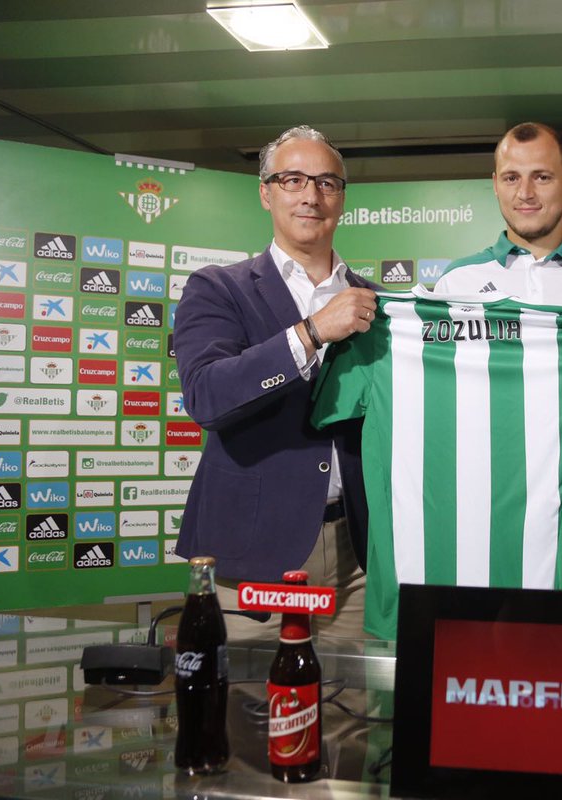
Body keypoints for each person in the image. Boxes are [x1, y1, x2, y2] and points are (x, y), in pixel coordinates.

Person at [174, 125, 379, 640]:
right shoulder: (218, 288)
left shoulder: (377, 302)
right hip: (255, 552)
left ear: (342, 199)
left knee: (353, 691)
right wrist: (312, 332)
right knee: (250, 690)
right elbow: (208, 397)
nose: (311, 195)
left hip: (358, 556)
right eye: (293, 180)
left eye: (327, 182)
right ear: (266, 193)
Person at [435, 122, 562, 591]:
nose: (525, 193)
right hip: (486, 523)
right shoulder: (456, 283)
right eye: (512, 177)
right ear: (495, 184)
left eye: (542, 177)